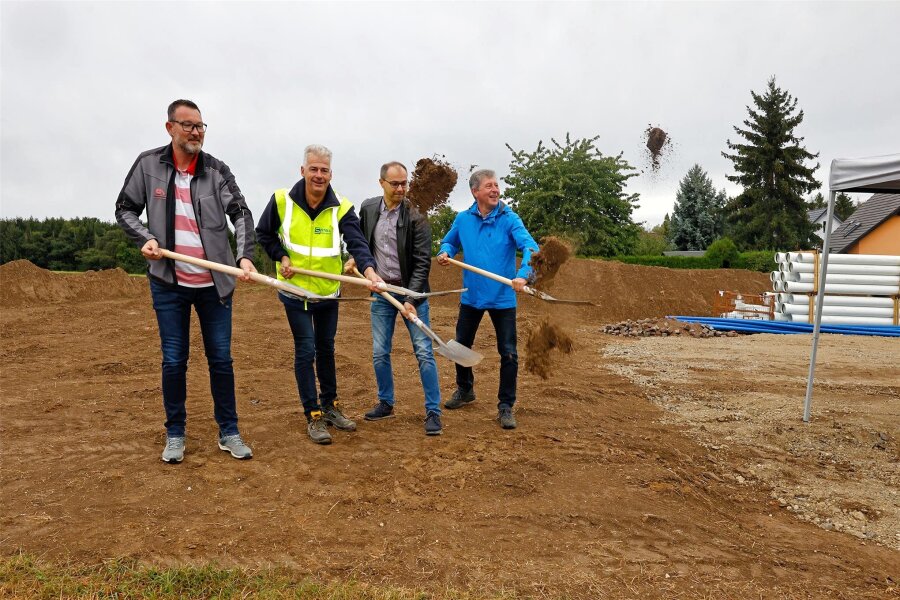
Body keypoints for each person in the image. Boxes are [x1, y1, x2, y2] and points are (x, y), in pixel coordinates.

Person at [115, 99, 256, 463]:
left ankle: (229, 431)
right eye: (189, 125)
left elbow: (240, 212)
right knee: (174, 361)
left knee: (221, 360)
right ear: (170, 128)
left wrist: (244, 256)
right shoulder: (148, 165)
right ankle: (175, 433)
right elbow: (125, 208)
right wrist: (144, 238)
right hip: (168, 282)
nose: (196, 132)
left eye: (201, 126)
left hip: (215, 284)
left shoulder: (216, 170)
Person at [256, 145, 383, 445]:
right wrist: (281, 257)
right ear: (302, 171)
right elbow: (264, 234)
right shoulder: (281, 201)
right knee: (306, 349)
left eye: (324, 170)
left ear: (330, 174)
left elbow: (357, 241)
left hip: (328, 294)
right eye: (313, 169)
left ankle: (330, 404)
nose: (318, 175)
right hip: (295, 292)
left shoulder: (341, 206)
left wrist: (369, 271)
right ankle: (313, 414)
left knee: (326, 347)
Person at [436, 169, 539, 430]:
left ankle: (506, 405)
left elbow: (530, 247)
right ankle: (465, 389)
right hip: (472, 296)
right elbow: (449, 242)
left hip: (503, 297)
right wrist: (445, 253)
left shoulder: (509, 218)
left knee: (509, 353)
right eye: (489, 186)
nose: (495, 190)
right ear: (475, 192)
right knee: (460, 346)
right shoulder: (463, 219)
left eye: (497, 185)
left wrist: (524, 274)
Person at [350, 161, 443, 435]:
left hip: (411, 292)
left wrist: (411, 299)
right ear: (382, 183)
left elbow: (422, 261)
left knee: (424, 352)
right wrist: (355, 257)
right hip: (381, 291)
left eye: (405, 183)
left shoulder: (416, 215)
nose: (401, 188)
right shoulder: (368, 209)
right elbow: (359, 241)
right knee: (380, 352)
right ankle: (386, 402)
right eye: (395, 183)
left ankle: (433, 411)